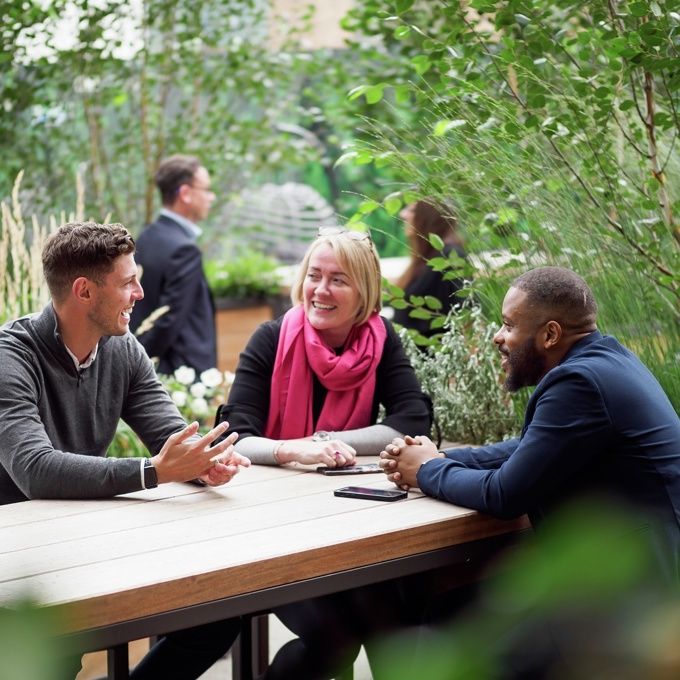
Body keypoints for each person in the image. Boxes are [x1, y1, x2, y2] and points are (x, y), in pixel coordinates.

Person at [380, 266, 680, 674]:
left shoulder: (580, 382)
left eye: (507, 325)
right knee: (440, 601)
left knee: (444, 620)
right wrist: (444, 458)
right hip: (636, 577)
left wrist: (426, 471)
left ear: (550, 334)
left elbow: (506, 494)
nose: (497, 337)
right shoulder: (608, 359)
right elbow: (532, 448)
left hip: (631, 601)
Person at [0, 221, 251, 680]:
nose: (139, 293)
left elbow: (169, 434)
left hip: (91, 539)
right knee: (57, 655)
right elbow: (34, 470)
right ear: (84, 291)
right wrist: (153, 471)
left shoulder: (121, 349)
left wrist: (202, 462)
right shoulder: (10, 358)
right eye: (127, 282)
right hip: (20, 564)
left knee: (215, 616)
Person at [217, 226, 433, 679]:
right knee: (338, 635)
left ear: (365, 293)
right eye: (315, 275)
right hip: (273, 532)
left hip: (351, 527)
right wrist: (291, 451)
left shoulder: (380, 340)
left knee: (393, 614)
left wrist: (328, 442)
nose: (321, 289)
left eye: (338, 279)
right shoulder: (272, 338)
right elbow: (236, 435)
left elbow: (412, 418)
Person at [129, 154, 218, 374]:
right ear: (185, 193)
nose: (212, 197)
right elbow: (167, 321)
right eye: (206, 190)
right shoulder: (184, 250)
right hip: (179, 375)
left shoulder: (146, 238)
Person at [392, 198, 468, 338]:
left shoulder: (451, 255)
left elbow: (468, 313)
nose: (403, 214)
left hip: (438, 355)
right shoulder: (424, 260)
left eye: (412, 210)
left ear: (431, 216)